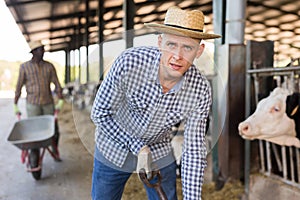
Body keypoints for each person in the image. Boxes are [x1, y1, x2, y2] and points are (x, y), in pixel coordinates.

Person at [90, 6, 221, 200]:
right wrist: (139, 148)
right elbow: (100, 113)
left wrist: (192, 198)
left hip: (158, 148)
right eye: (171, 45)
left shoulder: (200, 90)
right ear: (160, 42)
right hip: (113, 145)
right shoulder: (129, 63)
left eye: (188, 47)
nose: (177, 56)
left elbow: (193, 150)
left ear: (199, 51)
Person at [14, 40, 64, 161]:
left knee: (54, 130)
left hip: (48, 103)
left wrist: (60, 98)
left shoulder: (49, 66)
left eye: (42, 48)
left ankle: (55, 150)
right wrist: (15, 104)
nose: (42, 51)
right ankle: (34, 152)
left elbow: (57, 84)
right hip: (33, 104)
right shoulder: (24, 67)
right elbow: (19, 86)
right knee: (34, 132)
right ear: (33, 52)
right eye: (39, 49)